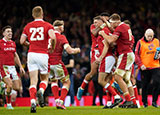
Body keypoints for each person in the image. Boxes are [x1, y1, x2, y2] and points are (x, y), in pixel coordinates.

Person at [20, 6, 56, 113]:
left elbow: (22, 41)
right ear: (42, 14)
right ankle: (41, 91)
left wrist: (29, 44)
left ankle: (32, 103)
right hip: (43, 54)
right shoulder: (48, 25)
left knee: (33, 81)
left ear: (33, 15)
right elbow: (53, 37)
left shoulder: (28, 26)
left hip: (31, 54)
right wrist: (52, 47)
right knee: (44, 79)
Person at [99, 13, 135, 108]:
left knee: (117, 77)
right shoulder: (124, 26)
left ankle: (128, 100)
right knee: (126, 80)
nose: (110, 25)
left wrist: (103, 34)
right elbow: (113, 30)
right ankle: (133, 101)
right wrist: (106, 22)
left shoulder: (120, 27)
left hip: (125, 54)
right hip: (129, 53)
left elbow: (111, 40)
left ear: (116, 22)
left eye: (111, 23)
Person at [77, 13, 110, 101]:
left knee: (108, 75)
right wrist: (102, 25)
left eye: (96, 22)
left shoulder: (107, 27)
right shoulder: (93, 27)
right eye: (94, 22)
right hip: (95, 51)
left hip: (106, 51)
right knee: (93, 73)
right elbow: (94, 33)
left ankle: (111, 98)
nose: (94, 24)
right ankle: (81, 88)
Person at [49, 20, 80, 110]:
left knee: (54, 81)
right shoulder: (61, 37)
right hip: (57, 62)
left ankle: (57, 100)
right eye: (62, 26)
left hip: (48, 63)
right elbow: (69, 50)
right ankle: (61, 101)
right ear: (59, 27)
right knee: (67, 82)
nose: (63, 28)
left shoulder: (48, 36)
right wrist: (77, 50)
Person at [0, 26, 25, 109]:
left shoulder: (13, 43)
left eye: (11, 31)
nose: (10, 33)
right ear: (3, 33)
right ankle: (9, 104)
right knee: (10, 85)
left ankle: (3, 85)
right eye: (7, 31)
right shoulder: (0, 43)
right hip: (4, 67)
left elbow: (15, 55)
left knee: (17, 87)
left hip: (12, 68)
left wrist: (20, 66)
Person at [135, 28, 160, 108]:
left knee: (157, 82)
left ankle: (154, 101)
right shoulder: (140, 42)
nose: (150, 38)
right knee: (144, 85)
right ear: (145, 35)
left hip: (155, 66)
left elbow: (158, 51)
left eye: (151, 36)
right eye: (148, 36)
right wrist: (140, 64)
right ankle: (145, 102)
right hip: (145, 67)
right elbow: (137, 55)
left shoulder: (156, 41)